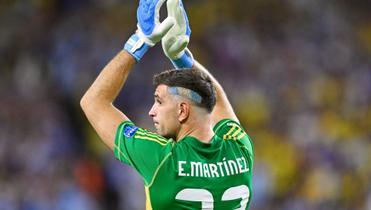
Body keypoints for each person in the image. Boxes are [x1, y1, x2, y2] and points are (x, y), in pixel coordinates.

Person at [80, 0, 254, 209]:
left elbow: (93, 102)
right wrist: (181, 58)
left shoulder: (161, 158)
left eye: (159, 102)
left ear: (182, 110)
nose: (151, 112)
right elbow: (218, 103)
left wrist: (140, 40)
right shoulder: (239, 148)